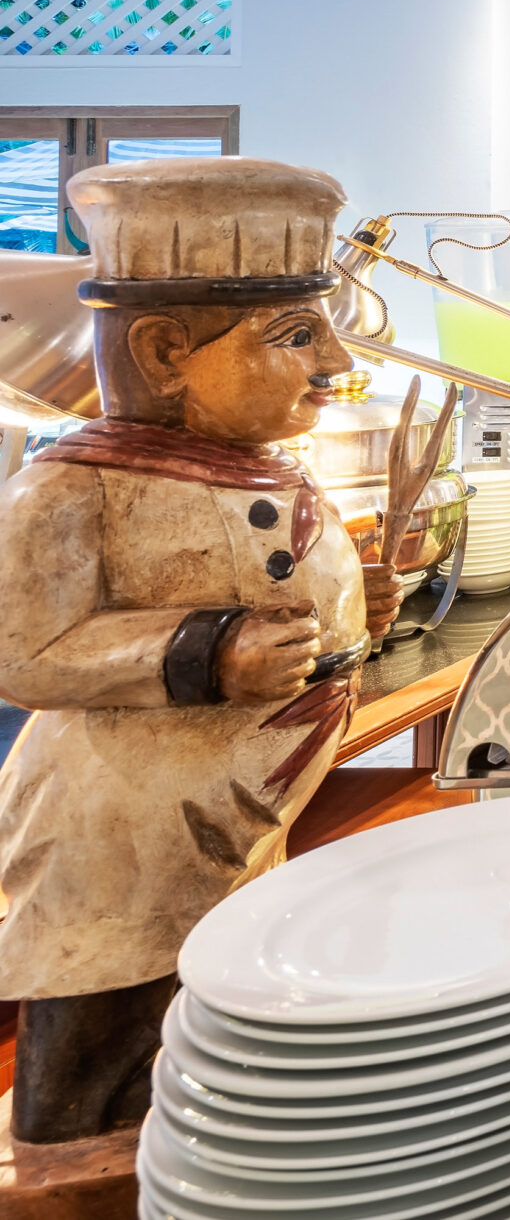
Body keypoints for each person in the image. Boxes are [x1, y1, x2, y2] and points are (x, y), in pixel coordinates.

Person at [0, 158, 400, 1144]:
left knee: (206, 1053)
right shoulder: (75, 487)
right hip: (120, 849)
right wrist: (206, 653)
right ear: (167, 348)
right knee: (94, 1083)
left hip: (234, 824)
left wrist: (355, 617)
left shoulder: (249, 465)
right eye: (297, 334)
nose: (333, 356)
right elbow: (22, 645)